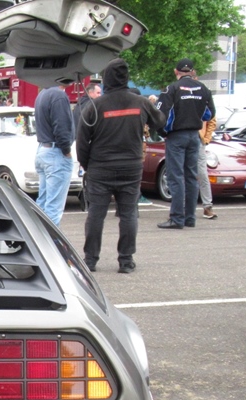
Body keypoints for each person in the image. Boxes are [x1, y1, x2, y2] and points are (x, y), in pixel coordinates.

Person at [76, 58, 165, 274]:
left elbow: (82, 141)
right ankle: (126, 260)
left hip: (100, 167)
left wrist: (88, 165)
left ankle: (90, 260)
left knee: (96, 214)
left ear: (106, 79)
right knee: (128, 214)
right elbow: (160, 122)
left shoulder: (95, 106)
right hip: (131, 167)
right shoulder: (141, 102)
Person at [154, 58, 216, 229]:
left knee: (176, 177)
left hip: (176, 136)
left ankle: (176, 218)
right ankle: (190, 218)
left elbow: (159, 115)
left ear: (176, 71)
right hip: (194, 136)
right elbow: (210, 114)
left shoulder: (171, 89)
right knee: (191, 176)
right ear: (192, 71)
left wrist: (163, 133)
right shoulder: (204, 89)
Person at [34, 85, 74, 225]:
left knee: (43, 202)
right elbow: (61, 127)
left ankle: (37, 235)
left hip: (43, 149)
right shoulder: (59, 95)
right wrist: (67, 151)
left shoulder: (43, 93)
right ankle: (50, 238)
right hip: (55, 151)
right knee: (54, 207)